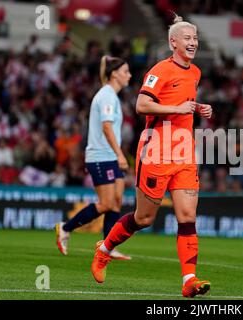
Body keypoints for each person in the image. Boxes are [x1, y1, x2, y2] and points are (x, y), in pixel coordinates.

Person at [90, 14, 213, 298]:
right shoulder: (160, 70)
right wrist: (178, 109)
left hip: (183, 153)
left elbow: (183, 104)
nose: (193, 43)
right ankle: (105, 250)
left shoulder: (195, 72)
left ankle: (189, 280)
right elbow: (142, 105)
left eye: (195, 38)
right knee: (144, 219)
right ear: (173, 43)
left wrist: (197, 109)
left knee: (187, 216)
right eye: (187, 38)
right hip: (156, 150)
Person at [55, 56, 132, 260]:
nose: (129, 75)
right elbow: (107, 128)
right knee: (107, 203)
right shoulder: (107, 95)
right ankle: (65, 227)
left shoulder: (111, 95)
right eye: (126, 71)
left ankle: (107, 247)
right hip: (101, 156)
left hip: (109, 156)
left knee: (116, 202)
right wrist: (120, 154)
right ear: (114, 74)